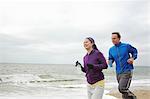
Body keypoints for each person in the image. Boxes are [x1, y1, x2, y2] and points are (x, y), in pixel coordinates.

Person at [108, 32, 138, 99]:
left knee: (122, 88)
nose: (113, 40)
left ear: (119, 38)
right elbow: (110, 58)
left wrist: (132, 58)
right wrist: (110, 62)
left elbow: (135, 51)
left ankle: (134, 97)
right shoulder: (111, 49)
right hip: (118, 72)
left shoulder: (126, 46)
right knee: (124, 92)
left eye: (114, 38)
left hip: (127, 70)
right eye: (112, 38)